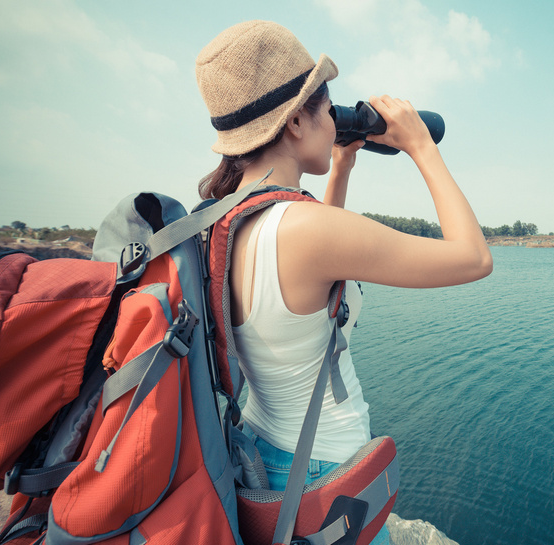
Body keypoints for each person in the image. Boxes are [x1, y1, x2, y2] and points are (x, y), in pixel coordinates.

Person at [195, 21, 492, 544]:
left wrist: (341, 166)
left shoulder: (221, 220)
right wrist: (422, 147)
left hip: (263, 453)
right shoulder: (306, 231)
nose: (335, 120)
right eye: (327, 108)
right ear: (294, 123)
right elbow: (473, 258)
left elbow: (312, 283)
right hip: (321, 476)